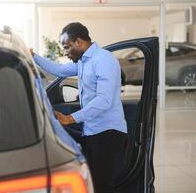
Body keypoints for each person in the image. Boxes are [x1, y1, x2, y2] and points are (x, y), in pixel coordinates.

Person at [30, 22, 127, 193]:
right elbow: (58, 70)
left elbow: (104, 100)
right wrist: (33, 56)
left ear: (79, 42)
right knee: (93, 184)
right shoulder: (83, 61)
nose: (65, 53)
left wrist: (70, 118)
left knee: (103, 186)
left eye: (67, 47)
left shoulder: (103, 60)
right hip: (91, 131)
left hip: (108, 133)